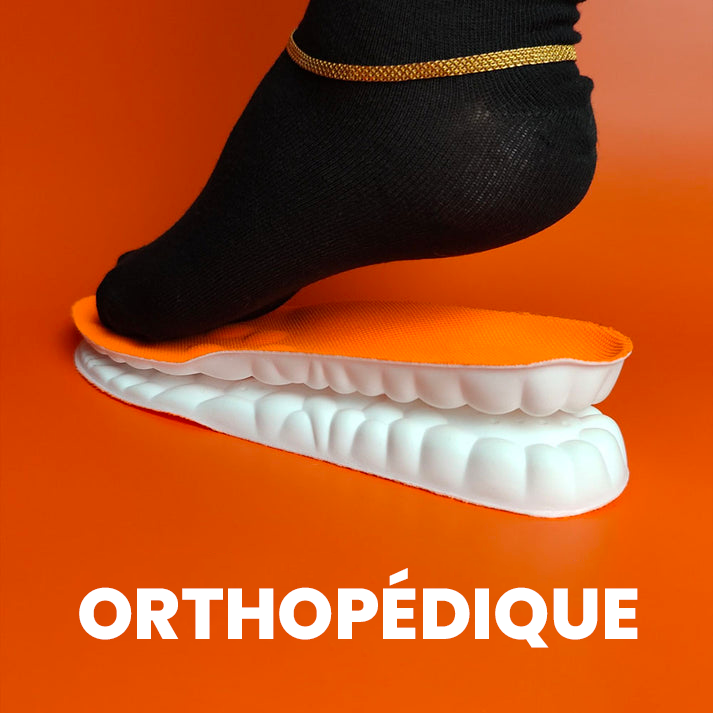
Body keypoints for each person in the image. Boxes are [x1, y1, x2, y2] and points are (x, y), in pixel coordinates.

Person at [96, 0, 596, 342]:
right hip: (513, 100)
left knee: (161, 291)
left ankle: (427, 100)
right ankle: (474, 100)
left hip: (413, 100)